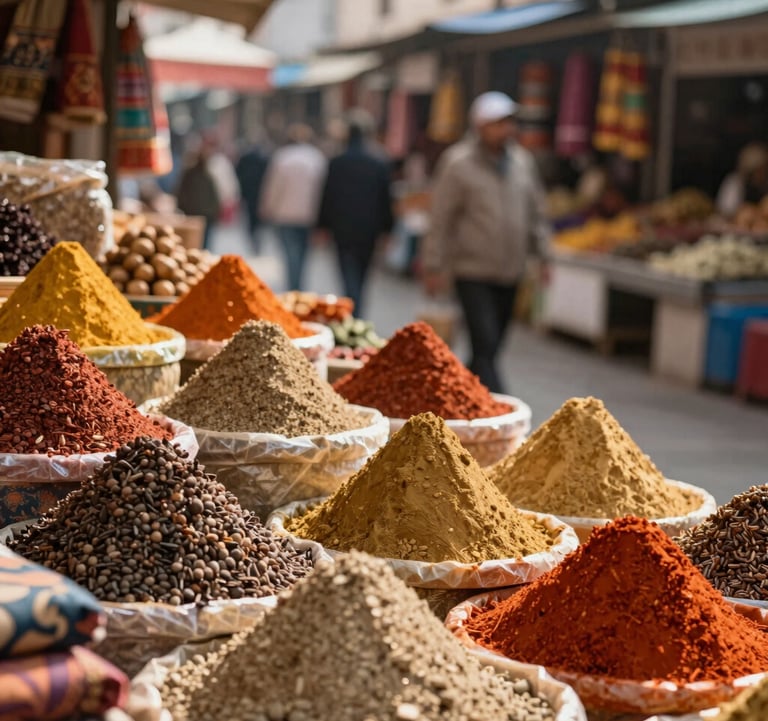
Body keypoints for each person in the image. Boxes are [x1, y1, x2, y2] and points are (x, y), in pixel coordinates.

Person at [422, 91, 550, 393]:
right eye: (498, 123)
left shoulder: (521, 162)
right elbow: (440, 218)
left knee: (491, 348)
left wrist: (543, 255)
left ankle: (463, 394)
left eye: (509, 123)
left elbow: (536, 212)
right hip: (471, 269)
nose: (506, 130)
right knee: (485, 340)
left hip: (510, 270)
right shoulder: (458, 163)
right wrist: (433, 265)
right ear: (480, 126)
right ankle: (497, 403)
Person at [318, 110, 394, 315]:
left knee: (347, 271)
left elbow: (326, 197)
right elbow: (387, 200)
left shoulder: (337, 162)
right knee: (362, 272)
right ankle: (356, 309)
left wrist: (322, 226)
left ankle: (352, 307)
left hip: (341, 227)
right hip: (369, 228)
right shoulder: (379, 162)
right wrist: (388, 229)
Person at [259, 124, 326, 291]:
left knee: (290, 255)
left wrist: (267, 207)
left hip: (285, 214)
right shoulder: (316, 158)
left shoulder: (282, 157)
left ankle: (293, 287)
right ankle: (298, 286)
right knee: (303, 255)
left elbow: (273, 187)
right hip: (309, 215)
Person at [175, 138, 221, 251]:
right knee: (196, 244)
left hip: (201, 215)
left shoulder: (207, 175)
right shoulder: (192, 174)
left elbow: (214, 196)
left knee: (202, 244)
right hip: (195, 214)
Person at [235, 135, 271, 254]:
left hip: (250, 192)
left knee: (251, 218)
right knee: (256, 219)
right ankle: (255, 239)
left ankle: (253, 238)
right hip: (259, 192)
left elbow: (238, 174)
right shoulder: (264, 158)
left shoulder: (246, 158)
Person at [716, 143, 768, 218]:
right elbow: (726, 209)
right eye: (760, 169)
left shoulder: (764, 184)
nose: (763, 173)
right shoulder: (735, 182)